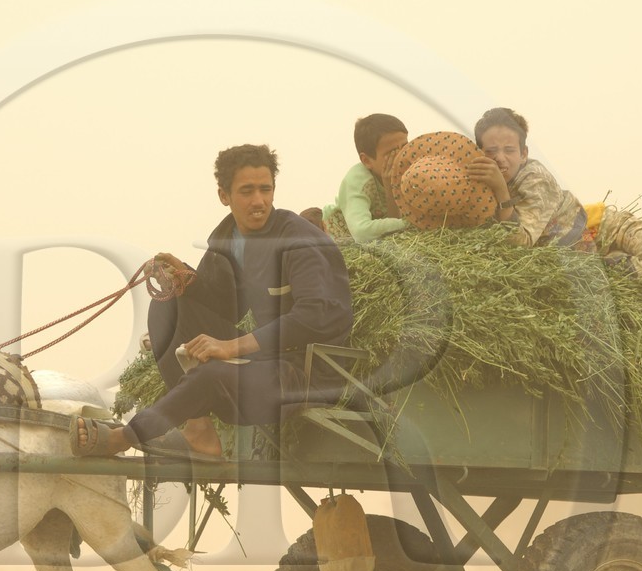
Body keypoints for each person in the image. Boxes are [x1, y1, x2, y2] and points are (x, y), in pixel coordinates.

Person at [73, 144, 354, 461]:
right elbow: (224, 304)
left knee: (212, 375)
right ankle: (198, 428)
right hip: (267, 358)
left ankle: (122, 438)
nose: (259, 201)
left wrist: (231, 347)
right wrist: (186, 279)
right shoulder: (226, 240)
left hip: (305, 373)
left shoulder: (298, 240)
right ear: (224, 196)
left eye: (266, 189)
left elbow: (316, 316)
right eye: (247, 191)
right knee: (169, 302)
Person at [468, 107, 642, 283]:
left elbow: (520, 242)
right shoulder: (478, 186)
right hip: (591, 258)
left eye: (509, 150)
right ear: (479, 152)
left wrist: (501, 191)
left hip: (606, 231)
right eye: (491, 152)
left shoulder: (534, 177)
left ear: (524, 153)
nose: (501, 159)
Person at [322, 113, 412, 243]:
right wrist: (411, 225)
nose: (400, 158)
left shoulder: (410, 173)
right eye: (391, 154)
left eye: (405, 148)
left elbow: (394, 231)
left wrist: (390, 188)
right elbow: (361, 232)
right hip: (330, 237)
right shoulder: (358, 180)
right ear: (367, 161)